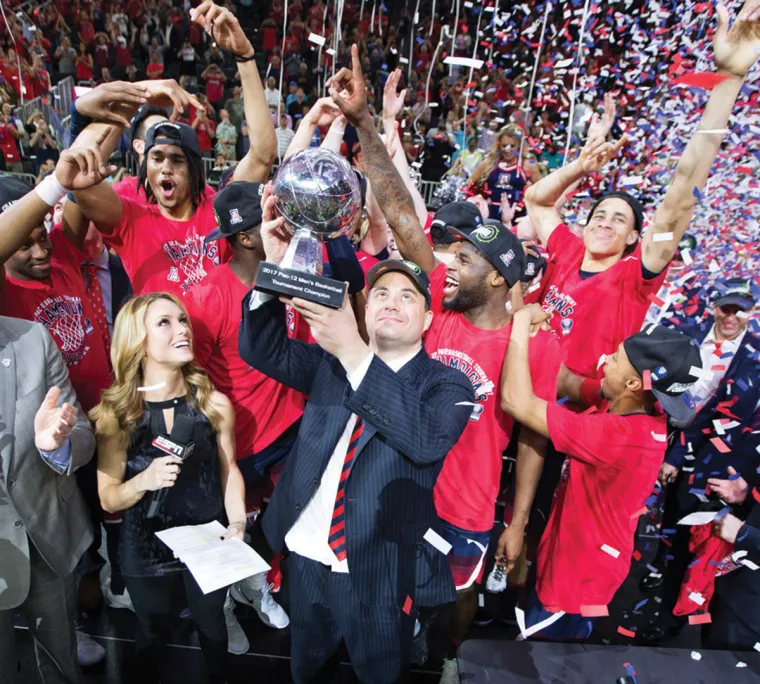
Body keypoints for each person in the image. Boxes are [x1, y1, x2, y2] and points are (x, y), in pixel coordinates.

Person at [330, 47, 558, 682]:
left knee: (454, 599)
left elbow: (535, 436)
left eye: (465, 262)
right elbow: (402, 215)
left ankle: (450, 657)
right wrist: (368, 125)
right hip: (402, 481)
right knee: (391, 582)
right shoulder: (442, 307)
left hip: (467, 504)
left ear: (499, 280)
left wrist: (515, 523)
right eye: (449, 258)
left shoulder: (529, 341)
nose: (447, 266)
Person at [239, 218, 474, 684]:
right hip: (305, 555)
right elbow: (262, 349)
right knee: (307, 667)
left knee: (379, 673)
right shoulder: (331, 364)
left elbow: (426, 441)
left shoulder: (448, 383)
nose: (391, 302)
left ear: (428, 319)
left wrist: (355, 354)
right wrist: (273, 267)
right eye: (381, 294)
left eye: (408, 296)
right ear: (365, 311)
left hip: (378, 570)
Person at [500, 311, 702, 639]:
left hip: (572, 583)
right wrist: (547, 335)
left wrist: (521, 322)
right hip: (593, 567)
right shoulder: (642, 408)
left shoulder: (616, 436)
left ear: (634, 383)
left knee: (541, 664)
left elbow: (515, 401)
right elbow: (567, 381)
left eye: (617, 358)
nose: (605, 360)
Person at [66, 0, 277, 298]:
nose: (166, 166)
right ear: (145, 165)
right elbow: (76, 173)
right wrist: (139, 95)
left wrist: (244, 56)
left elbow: (263, 154)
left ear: (194, 169)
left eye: (177, 160)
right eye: (157, 157)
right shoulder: (132, 221)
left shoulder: (219, 214)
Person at [91, 293, 246, 683]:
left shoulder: (214, 404)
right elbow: (108, 497)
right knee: (152, 633)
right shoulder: (119, 414)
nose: (182, 329)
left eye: (182, 320)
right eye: (164, 323)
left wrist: (239, 523)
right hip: (145, 548)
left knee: (213, 627)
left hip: (206, 541)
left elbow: (229, 469)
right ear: (137, 340)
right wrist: (142, 481)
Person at [186, 181, 307, 632]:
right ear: (246, 237)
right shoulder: (205, 298)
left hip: (292, 427)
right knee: (230, 530)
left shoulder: (293, 272)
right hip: (240, 444)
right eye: (273, 217)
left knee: (287, 521)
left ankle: (257, 583)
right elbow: (189, 377)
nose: (287, 225)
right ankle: (231, 601)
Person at [641, 278, 760, 642]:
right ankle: (662, 578)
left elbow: (732, 418)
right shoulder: (689, 336)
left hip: (716, 466)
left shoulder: (755, 355)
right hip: (663, 440)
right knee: (665, 525)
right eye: (727, 307)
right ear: (713, 307)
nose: (732, 316)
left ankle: (680, 614)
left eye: (741, 310)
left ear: (751, 313)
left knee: (696, 538)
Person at [0, 315, 96, 684]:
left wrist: (58, 446)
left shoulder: (32, 339)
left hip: (47, 535)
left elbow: (82, 432)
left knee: (60, 664)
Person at [468, 124, 541, 220]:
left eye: (512, 146)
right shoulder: (489, 163)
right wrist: (480, 197)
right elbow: (470, 184)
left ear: (519, 146)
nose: (508, 150)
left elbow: (541, 190)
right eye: (504, 145)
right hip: (489, 216)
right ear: (498, 145)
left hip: (517, 216)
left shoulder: (529, 165)